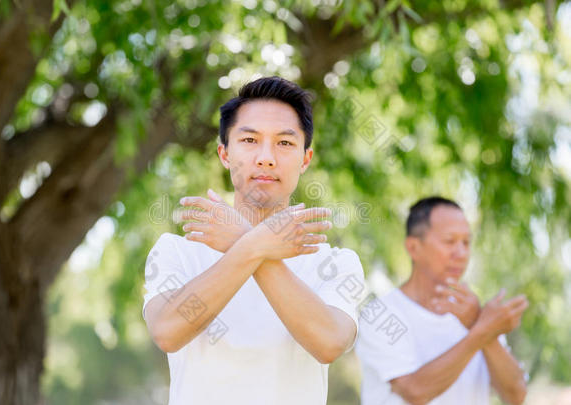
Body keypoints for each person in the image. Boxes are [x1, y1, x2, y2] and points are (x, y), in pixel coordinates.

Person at [142, 76, 365, 405]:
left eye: (285, 143)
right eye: (249, 140)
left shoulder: (334, 264)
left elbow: (330, 342)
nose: (266, 157)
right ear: (224, 154)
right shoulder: (176, 251)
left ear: (305, 158)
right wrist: (255, 244)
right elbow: (167, 331)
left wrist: (244, 242)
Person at [355, 197, 528, 405]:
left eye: (466, 242)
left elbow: (516, 395)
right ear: (413, 248)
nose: (462, 253)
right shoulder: (381, 314)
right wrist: (481, 331)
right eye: (449, 241)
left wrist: (485, 332)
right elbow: (415, 392)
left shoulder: (476, 314)